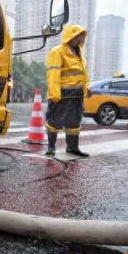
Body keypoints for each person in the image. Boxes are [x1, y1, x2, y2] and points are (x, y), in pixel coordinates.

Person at [45, 24, 91, 157]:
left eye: (82, 36)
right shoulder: (57, 52)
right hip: (62, 94)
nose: (81, 39)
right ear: (70, 36)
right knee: (55, 121)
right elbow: (53, 74)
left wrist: (87, 87)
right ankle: (51, 148)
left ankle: (72, 148)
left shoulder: (79, 55)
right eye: (78, 36)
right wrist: (54, 94)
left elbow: (84, 75)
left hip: (77, 95)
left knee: (74, 122)